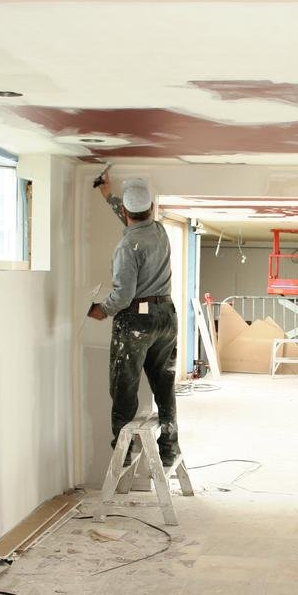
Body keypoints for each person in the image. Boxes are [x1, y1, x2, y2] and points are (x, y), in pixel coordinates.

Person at [86, 170, 181, 467]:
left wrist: (101, 309)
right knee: (164, 385)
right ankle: (168, 448)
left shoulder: (127, 247)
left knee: (124, 386)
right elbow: (134, 220)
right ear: (151, 209)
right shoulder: (159, 231)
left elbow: (123, 296)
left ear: (127, 211)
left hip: (138, 321)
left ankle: (123, 452)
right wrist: (109, 197)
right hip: (166, 315)